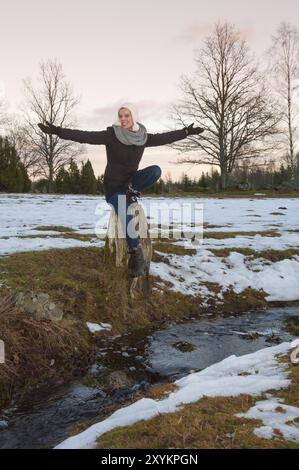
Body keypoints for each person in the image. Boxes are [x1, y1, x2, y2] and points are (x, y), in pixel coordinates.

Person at [38, 102, 204, 277]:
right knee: (125, 210)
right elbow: (85, 136)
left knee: (156, 170)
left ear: (134, 116)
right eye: (121, 116)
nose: (123, 119)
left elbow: (165, 138)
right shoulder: (112, 135)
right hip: (114, 187)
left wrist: (185, 132)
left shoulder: (142, 137)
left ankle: (132, 191)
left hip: (131, 182)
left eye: (127, 115)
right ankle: (135, 251)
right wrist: (58, 131)